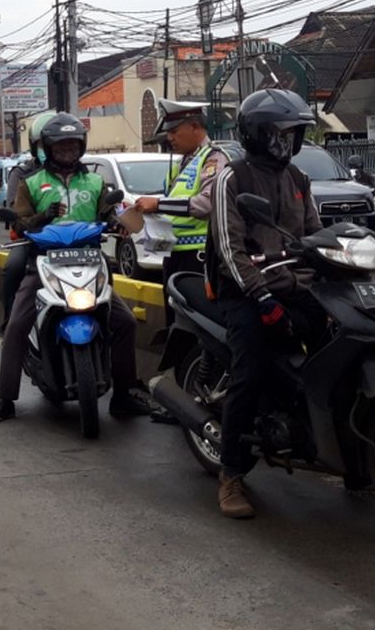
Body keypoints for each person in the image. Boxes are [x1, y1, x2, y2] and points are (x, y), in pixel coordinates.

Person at [0, 113, 154, 423]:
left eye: (73, 145)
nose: (67, 151)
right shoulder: (31, 183)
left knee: (126, 322)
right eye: (60, 146)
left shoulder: (95, 181)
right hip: (45, 263)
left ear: (81, 147)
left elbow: (108, 212)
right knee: (17, 325)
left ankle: (124, 394)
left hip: (89, 261)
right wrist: (42, 217)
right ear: (48, 147)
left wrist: (117, 221)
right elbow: (20, 223)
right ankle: (4, 399)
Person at [206, 88, 327, 519]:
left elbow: (315, 236)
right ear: (258, 134)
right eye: (284, 133)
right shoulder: (231, 179)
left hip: (294, 286)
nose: (290, 142)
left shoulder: (298, 180)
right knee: (249, 373)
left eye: (295, 134)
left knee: (338, 345)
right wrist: (260, 296)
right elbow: (228, 249)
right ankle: (231, 475)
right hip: (245, 292)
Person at [132, 101, 228, 322]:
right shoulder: (184, 162)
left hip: (199, 256)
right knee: (175, 318)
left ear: (195, 127)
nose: (170, 138)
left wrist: (157, 204)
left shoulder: (213, 158)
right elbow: (171, 204)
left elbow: (206, 205)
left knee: (197, 321)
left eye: (174, 131)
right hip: (173, 252)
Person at [1, 115, 52, 324]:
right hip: (31, 240)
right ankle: (9, 321)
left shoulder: (81, 175)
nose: (52, 150)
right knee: (14, 267)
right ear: (34, 146)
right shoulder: (23, 174)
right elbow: (16, 212)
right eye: (46, 145)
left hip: (71, 243)